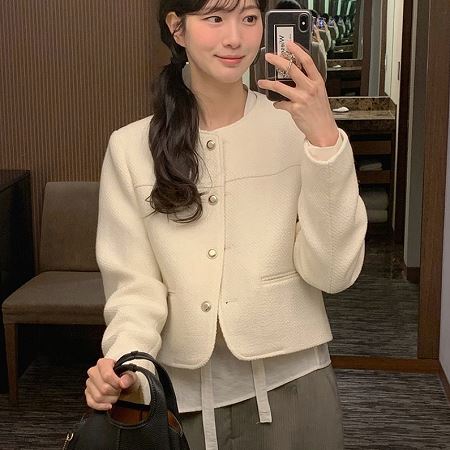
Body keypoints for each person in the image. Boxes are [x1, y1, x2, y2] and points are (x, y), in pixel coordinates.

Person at [84, 0, 367, 449]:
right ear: (177, 28)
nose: (235, 38)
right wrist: (126, 364)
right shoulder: (130, 147)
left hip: (295, 389)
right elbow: (134, 288)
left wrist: (325, 140)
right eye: (215, 18)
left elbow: (334, 273)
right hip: (180, 405)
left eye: (249, 18)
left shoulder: (299, 130)